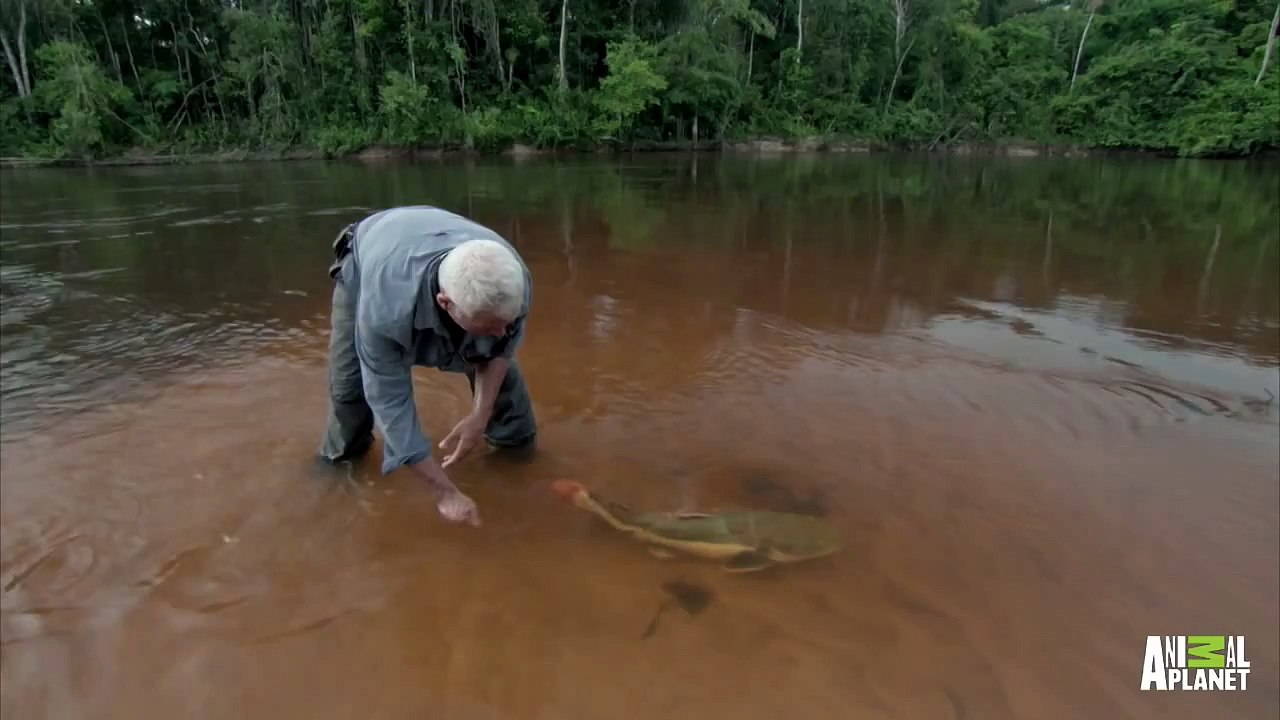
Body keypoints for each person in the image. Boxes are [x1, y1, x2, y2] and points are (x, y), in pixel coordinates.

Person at [317, 205, 537, 528]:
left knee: (503, 387)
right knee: (351, 393)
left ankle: (517, 457)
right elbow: (391, 403)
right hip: (367, 262)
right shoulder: (385, 310)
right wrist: (444, 493)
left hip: (428, 244)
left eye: (509, 321)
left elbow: (503, 346)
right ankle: (337, 472)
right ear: (445, 304)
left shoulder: (512, 278)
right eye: (492, 325)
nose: (504, 332)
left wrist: (479, 415)